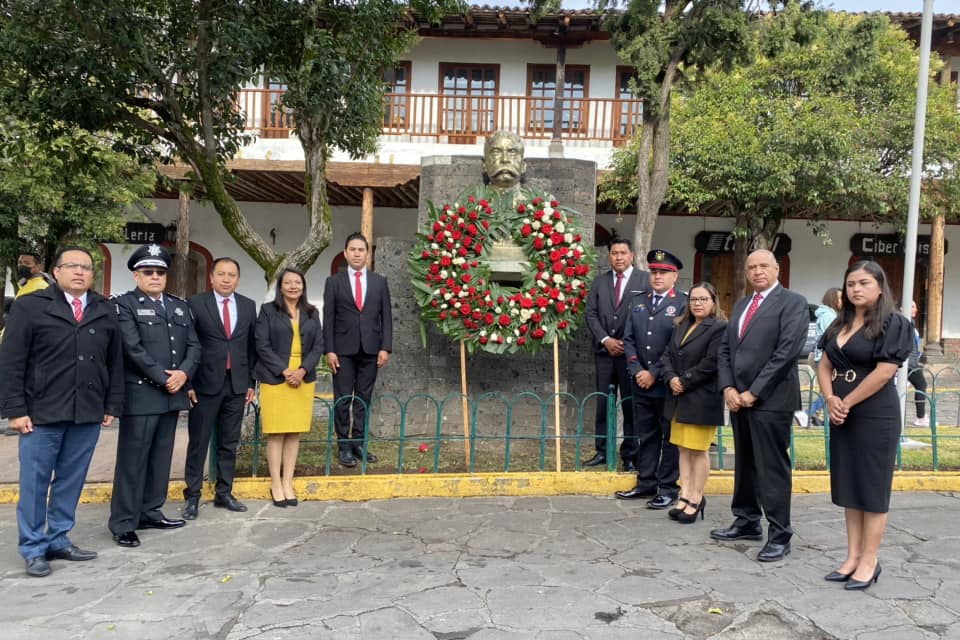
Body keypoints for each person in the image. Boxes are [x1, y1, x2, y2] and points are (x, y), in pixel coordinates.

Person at [0, 247, 124, 577]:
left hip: (86, 411)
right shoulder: (30, 306)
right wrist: (14, 409)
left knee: (71, 480)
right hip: (40, 413)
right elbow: (11, 361)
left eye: (86, 267)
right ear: (56, 272)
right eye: (72, 266)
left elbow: (115, 360)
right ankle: (32, 547)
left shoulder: (103, 308)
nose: (80, 272)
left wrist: (111, 405)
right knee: (35, 483)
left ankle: (58, 538)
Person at [817, 260, 912, 590]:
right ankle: (852, 556)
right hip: (841, 411)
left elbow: (885, 372)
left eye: (864, 283)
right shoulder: (838, 326)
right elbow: (824, 365)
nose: (856, 288)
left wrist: (848, 401)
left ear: (880, 287)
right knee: (849, 487)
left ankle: (870, 560)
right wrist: (830, 399)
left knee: (871, 489)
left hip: (875, 414)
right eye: (851, 283)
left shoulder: (893, 323)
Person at [712, 249, 808, 562]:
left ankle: (780, 534)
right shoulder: (742, 305)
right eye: (751, 266)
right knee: (747, 463)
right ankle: (747, 520)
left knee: (772, 467)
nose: (757, 271)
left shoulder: (792, 303)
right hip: (738, 399)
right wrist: (728, 387)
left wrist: (754, 391)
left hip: (772, 399)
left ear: (777, 269)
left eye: (763, 266)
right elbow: (725, 349)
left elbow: (786, 353)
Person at [109, 244, 201, 548]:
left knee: (161, 457)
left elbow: (194, 346)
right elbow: (132, 349)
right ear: (137, 275)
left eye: (160, 272)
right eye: (148, 272)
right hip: (142, 394)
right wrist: (166, 378)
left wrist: (184, 374)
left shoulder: (178, 306)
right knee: (133, 460)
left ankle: (150, 510)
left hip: (171, 394)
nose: (155, 277)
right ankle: (124, 522)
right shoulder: (124, 305)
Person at [182, 257, 257, 519]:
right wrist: (188, 382)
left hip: (236, 384)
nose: (226, 279)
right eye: (221, 274)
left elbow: (250, 347)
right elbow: (187, 344)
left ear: (238, 278)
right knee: (199, 442)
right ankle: (192, 496)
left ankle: (224, 492)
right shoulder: (196, 303)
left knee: (229, 441)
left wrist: (250, 382)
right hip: (204, 383)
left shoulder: (248, 306)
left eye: (232, 275)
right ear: (211, 277)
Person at [615, 249, 687, 509]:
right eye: (654, 272)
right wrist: (637, 371)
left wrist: (654, 372)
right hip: (640, 381)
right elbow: (629, 339)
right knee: (645, 434)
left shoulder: (682, 303)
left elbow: (675, 345)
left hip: (666, 383)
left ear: (674, 276)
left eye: (663, 273)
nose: (657, 277)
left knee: (669, 437)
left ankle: (668, 487)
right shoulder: (637, 301)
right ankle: (646, 482)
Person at [255, 267, 324, 506]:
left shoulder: (312, 312)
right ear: (280, 286)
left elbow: (318, 346)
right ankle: (275, 483)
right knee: (276, 432)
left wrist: (302, 370)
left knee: (294, 432)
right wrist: (284, 371)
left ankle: (288, 481)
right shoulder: (267, 311)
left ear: (303, 286)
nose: (293, 286)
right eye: (288, 282)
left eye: (298, 282)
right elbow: (261, 345)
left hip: (303, 377)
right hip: (276, 377)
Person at [323, 233, 393, 468]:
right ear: (345, 252)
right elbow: (329, 318)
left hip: (371, 349)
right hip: (342, 350)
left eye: (361, 250)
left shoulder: (379, 282)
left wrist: (385, 347)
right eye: (352, 249)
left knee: (363, 398)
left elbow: (386, 318)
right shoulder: (334, 282)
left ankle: (359, 443)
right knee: (343, 399)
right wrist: (329, 350)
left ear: (367, 254)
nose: (356, 253)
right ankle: (344, 446)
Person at [660, 282, 727, 524]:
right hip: (678, 396)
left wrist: (685, 380)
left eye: (703, 299)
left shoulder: (719, 328)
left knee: (698, 450)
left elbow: (711, 362)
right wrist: (671, 378)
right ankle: (684, 493)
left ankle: (697, 498)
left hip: (701, 397)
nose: (697, 304)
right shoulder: (681, 325)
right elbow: (666, 355)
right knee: (682, 448)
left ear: (713, 302)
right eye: (693, 299)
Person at [583, 237, 650, 468]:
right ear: (609, 256)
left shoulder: (645, 280)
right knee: (603, 403)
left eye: (623, 253)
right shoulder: (600, 282)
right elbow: (590, 314)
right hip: (604, 353)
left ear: (632, 255)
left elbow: (648, 315)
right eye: (614, 253)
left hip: (632, 355)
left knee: (631, 405)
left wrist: (626, 342)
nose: (619, 257)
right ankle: (602, 450)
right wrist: (606, 339)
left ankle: (630, 455)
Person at [808, 288, 843, 425]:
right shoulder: (829, 316)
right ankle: (808, 414)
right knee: (830, 390)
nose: (843, 301)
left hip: (819, 355)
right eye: (840, 298)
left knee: (826, 389)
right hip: (823, 357)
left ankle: (818, 417)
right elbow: (832, 338)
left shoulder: (826, 314)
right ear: (833, 300)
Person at [908, 300, 929, 427]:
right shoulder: (905, 322)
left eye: (915, 306)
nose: (915, 309)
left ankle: (921, 416)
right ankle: (920, 417)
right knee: (921, 385)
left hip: (912, 361)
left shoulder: (911, 323)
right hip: (908, 362)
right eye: (912, 306)